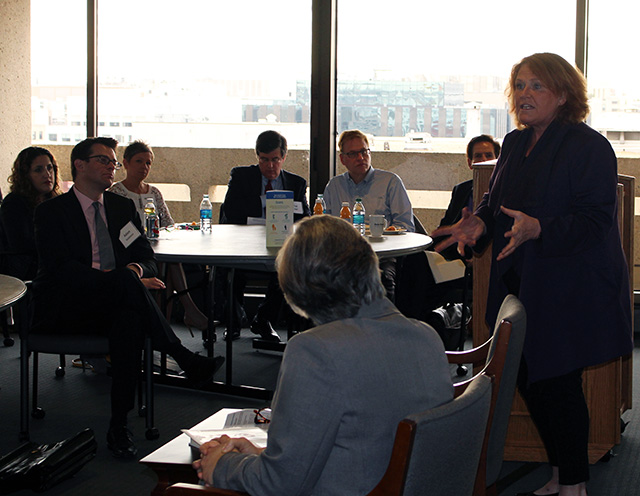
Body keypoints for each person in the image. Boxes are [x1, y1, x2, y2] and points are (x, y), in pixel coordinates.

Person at [432, 53, 633, 496]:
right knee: (530, 377)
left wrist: (540, 227)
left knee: (557, 381)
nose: (524, 94)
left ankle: (575, 483)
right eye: (519, 85)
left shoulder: (589, 146)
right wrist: (480, 223)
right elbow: (496, 203)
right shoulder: (516, 143)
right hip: (523, 285)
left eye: (536, 86)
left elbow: (596, 219)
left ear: (563, 94)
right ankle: (562, 471)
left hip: (571, 286)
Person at [193, 215, 453, 494]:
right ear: (369, 265)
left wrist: (222, 465)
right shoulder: (426, 337)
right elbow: (362, 435)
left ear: (301, 293)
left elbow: (278, 485)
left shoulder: (316, 351)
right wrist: (260, 455)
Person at [32, 137, 224, 459]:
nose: (111, 167)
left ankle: (119, 424)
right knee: (126, 292)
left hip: (116, 303)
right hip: (69, 306)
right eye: (103, 160)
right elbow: (60, 270)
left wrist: (131, 272)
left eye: (113, 162)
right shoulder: (52, 212)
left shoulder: (121, 208)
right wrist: (117, 280)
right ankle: (182, 355)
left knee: (130, 321)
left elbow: (147, 258)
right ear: (79, 165)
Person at [219, 130, 310, 341]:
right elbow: (230, 211)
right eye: (264, 160)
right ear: (257, 156)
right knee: (229, 271)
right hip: (243, 243)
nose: (270, 166)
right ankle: (233, 320)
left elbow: (305, 219)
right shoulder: (241, 176)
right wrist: (265, 200)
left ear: (283, 158)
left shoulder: (296, 184)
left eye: (275, 160)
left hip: (279, 246)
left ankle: (263, 319)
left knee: (289, 271)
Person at [110, 140, 209, 332]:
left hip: (155, 245)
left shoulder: (153, 192)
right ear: (126, 163)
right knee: (167, 265)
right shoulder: (116, 192)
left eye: (148, 163)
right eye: (139, 162)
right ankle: (183, 313)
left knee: (167, 262)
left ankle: (163, 325)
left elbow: (168, 223)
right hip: (130, 251)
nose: (144, 167)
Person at [322, 129, 414, 301]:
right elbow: (323, 225)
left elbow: (406, 226)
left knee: (382, 279)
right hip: (342, 255)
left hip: (382, 254)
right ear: (343, 159)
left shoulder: (390, 182)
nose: (360, 157)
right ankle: (332, 327)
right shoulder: (334, 186)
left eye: (364, 151)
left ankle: (385, 327)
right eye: (353, 153)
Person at [434, 134, 501, 261]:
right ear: (470, 163)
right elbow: (446, 226)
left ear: (498, 161)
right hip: (455, 254)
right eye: (478, 156)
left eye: (488, 155)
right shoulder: (461, 190)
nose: (484, 160)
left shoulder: (504, 192)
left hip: (487, 257)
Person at [0, 146, 61, 281]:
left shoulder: (55, 201)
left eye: (49, 168)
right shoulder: (14, 203)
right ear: (26, 175)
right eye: (38, 170)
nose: (47, 174)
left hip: (50, 269)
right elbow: (20, 244)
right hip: (24, 274)